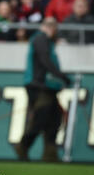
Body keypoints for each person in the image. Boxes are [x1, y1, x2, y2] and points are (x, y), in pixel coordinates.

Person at [14, 17, 71, 162]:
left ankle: (50, 153)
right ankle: (23, 146)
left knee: (54, 119)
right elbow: (45, 60)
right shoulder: (41, 39)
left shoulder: (44, 41)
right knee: (40, 118)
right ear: (50, 28)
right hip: (38, 86)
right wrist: (62, 76)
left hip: (47, 87)